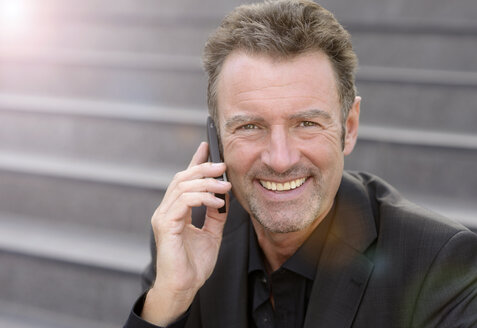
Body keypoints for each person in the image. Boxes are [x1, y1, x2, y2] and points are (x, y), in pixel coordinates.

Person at [124, 0, 477, 327]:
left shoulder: (442, 264)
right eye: (250, 126)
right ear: (217, 140)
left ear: (348, 127)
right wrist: (170, 297)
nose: (281, 159)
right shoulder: (187, 240)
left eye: (306, 124)